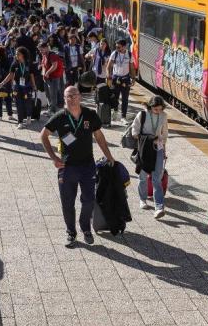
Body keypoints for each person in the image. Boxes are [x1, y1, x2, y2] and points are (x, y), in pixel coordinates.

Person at [40, 85, 116, 248]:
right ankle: (70, 233)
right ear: (65, 99)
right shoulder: (60, 117)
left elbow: (99, 136)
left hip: (87, 166)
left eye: (74, 95)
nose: (72, 98)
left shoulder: (90, 115)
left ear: (80, 96)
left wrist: (109, 156)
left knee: (89, 200)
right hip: (67, 167)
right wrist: (53, 157)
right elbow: (43, 135)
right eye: (68, 96)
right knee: (67, 202)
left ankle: (85, 228)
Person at [131, 96, 169, 219]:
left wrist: (163, 149)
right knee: (142, 176)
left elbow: (165, 134)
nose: (158, 111)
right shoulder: (142, 115)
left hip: (158, 149)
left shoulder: (163, 116)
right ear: (150, 106)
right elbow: (134, 132)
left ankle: (159, 207)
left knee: (156, 178)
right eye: (155, 109)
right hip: (144, 149)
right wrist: (149, 139)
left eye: (160, 109)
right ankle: (142, 199)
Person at [0, 46, 37, 128]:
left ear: (23, 55)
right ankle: (20, 122)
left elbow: (31, 75)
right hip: (17, 87)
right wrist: (2, 83)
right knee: (19, 104)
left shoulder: (29, 63)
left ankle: (29, 116)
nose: (16, 56)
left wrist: (34, 85)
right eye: (15, 54)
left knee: (28, 103)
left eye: (18, 54)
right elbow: (10, 75)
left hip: (27, 87)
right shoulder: (14, 63)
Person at [106, 39, 133, 121]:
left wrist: (134, 78)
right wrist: (108, 76)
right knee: (115, 97)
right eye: (116, 46)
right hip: (115, 78)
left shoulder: (129, 54)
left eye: (119, 47)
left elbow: (131, 67)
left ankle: (123, 116)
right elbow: (108, 66)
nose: (117, 48)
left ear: (124, 47)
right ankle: (115, 111)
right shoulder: (115, 53)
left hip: (125, 78)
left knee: (125, 98)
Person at [39, 40, 65, 115]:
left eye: (42, 49)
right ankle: (50, 109)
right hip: (47, 77)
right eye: (40, 50)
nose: (41, 51)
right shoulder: (44, 55)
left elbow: (54, 65)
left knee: (53, 94)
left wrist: (47, 73)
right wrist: (43, 74)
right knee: (48, 94)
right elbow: (44, 65)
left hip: (54, 77)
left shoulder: (52, 55)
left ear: (46, 48)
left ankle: (54, 110)